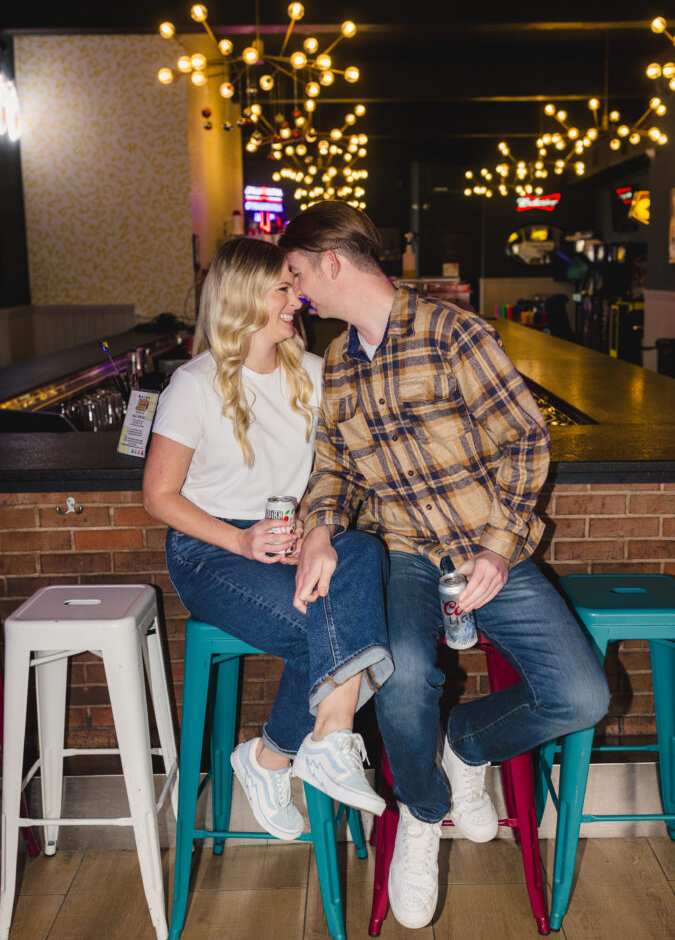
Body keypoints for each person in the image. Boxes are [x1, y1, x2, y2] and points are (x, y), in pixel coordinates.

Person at [279, 202, 610, 929]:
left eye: (298, 272)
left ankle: (467, 745)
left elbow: (525, 441)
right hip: (403, 555)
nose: (296, 290)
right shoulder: (337, 360)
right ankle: (422, 817)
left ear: (331, 262)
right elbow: (333, 465)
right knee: (398, 675)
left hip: (484, 548)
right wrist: (319, 529)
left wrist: (497, 546)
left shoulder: (453, 333)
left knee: (581, 696)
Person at [142, 236, 394, 841]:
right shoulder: (193, 385)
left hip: (293, 539)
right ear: (246, 297)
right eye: (283, 287)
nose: (297, 298)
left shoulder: (313, 375)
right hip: (211, 552)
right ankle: (289, 753)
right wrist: (240, 541)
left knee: (362, 553)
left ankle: (290, 753)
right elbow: (158, 497)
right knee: (330, 632)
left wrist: (317, 532)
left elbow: (340, 474)